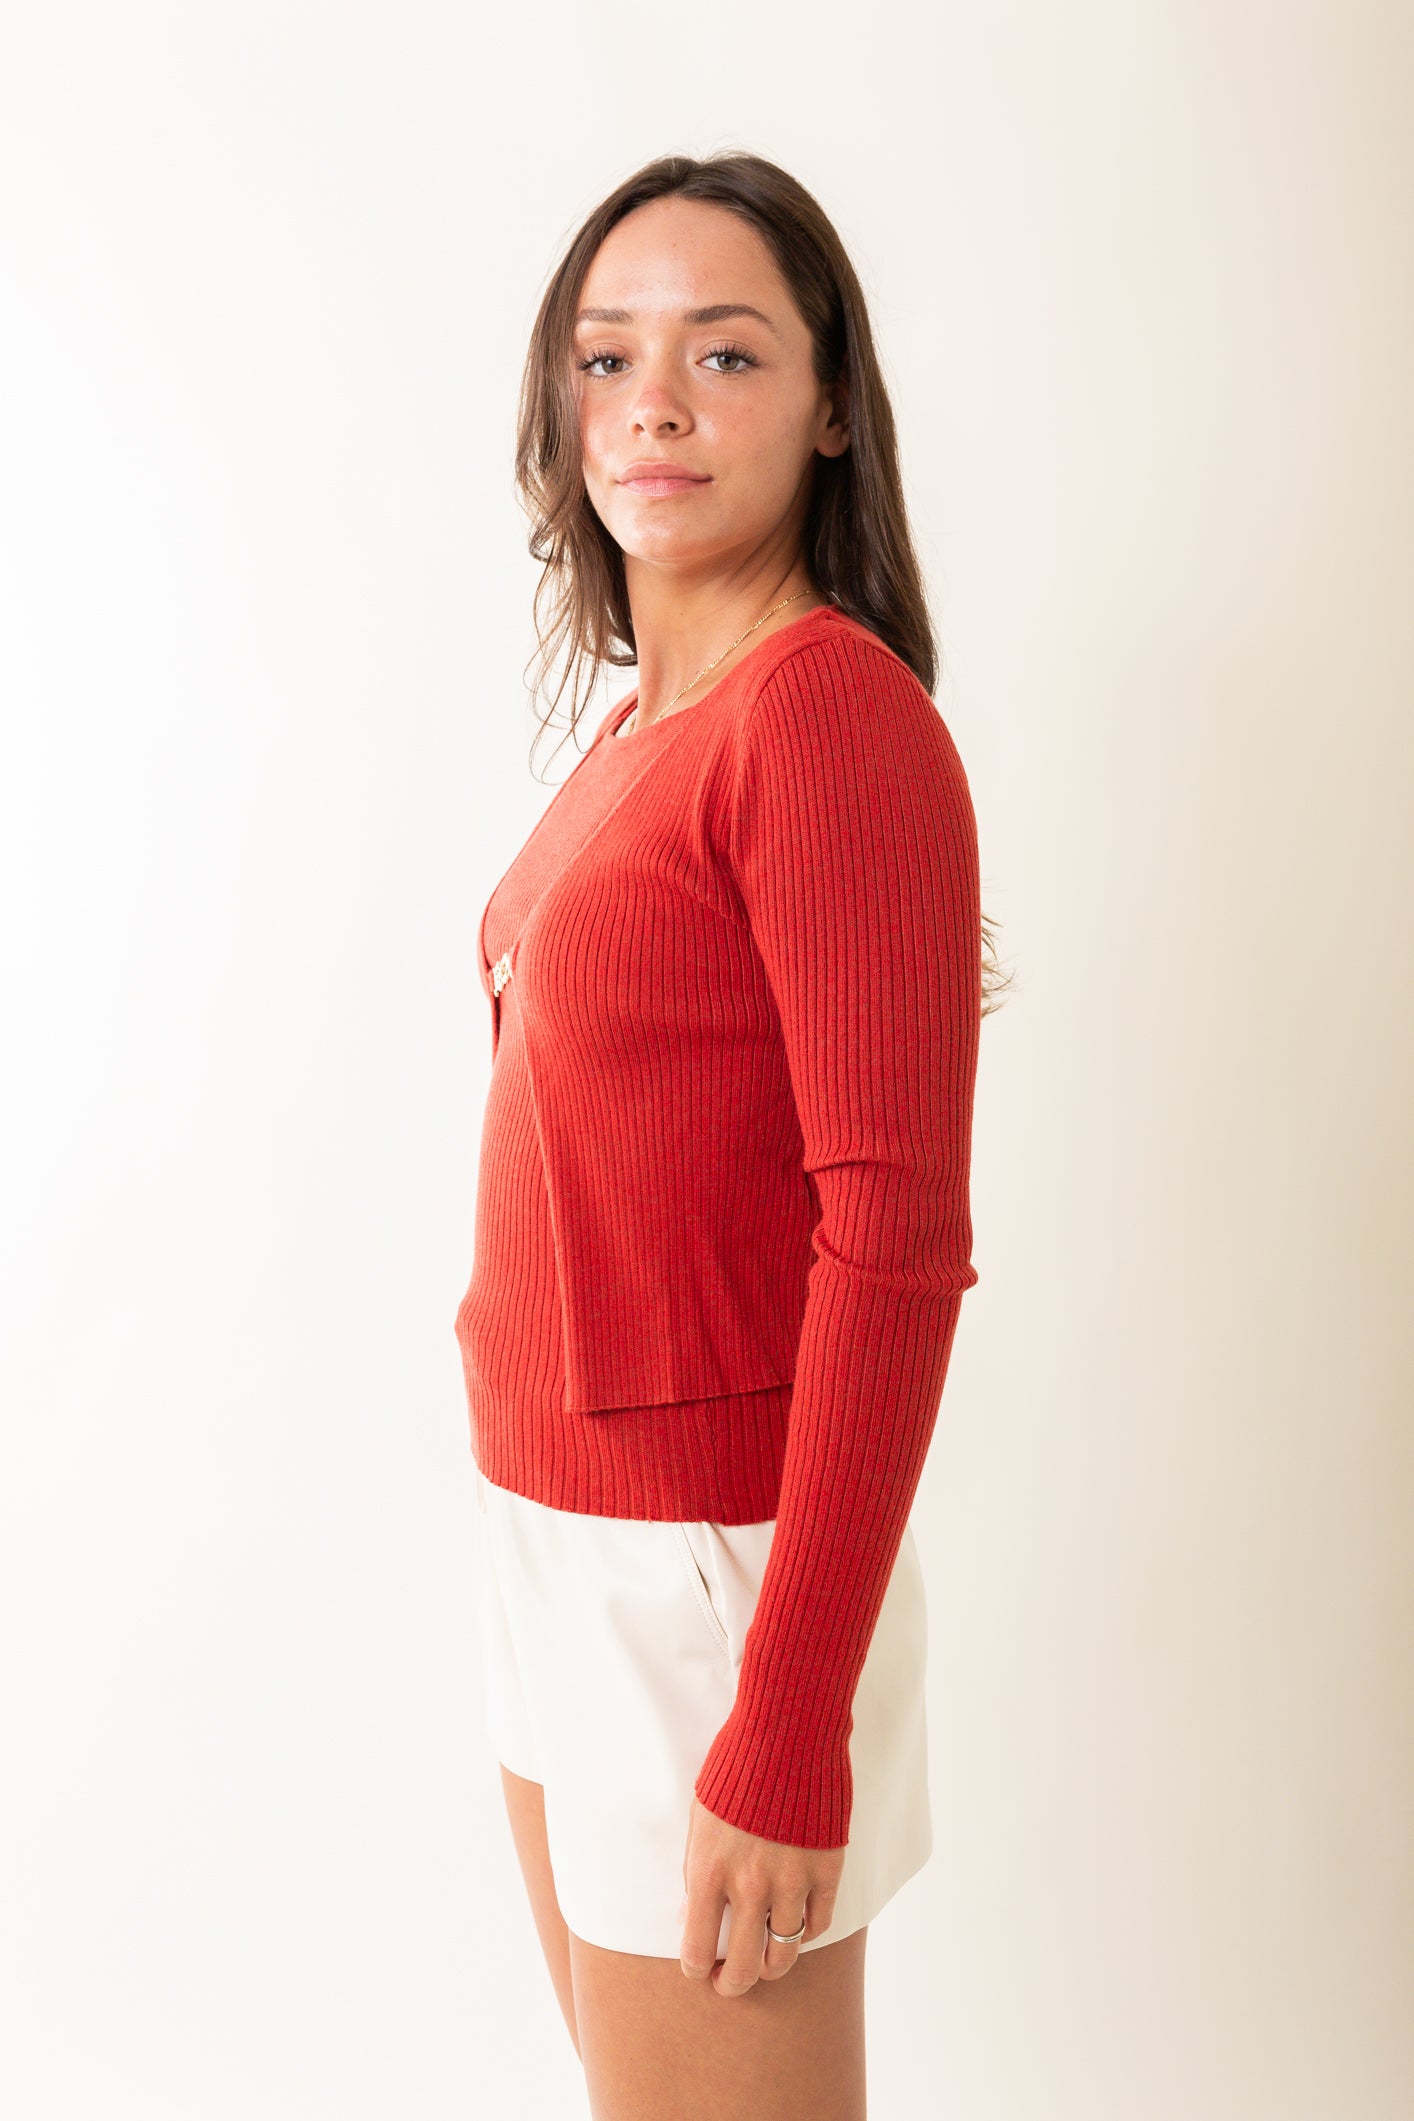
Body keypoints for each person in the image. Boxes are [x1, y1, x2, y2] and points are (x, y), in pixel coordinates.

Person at [453, 149, 1004, 2120]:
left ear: (830, 403)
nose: (654, 404)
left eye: (727, 353)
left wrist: (786, 1717)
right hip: (558, 1531)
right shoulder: (642, 726)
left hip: (704, 1573)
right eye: (607, 356)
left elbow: (894, 1241)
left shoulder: (823, 718)